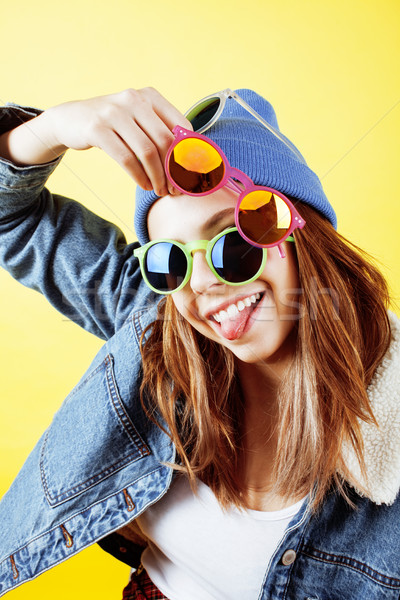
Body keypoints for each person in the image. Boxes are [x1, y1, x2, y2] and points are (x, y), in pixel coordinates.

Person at [0, 88, 399, 600]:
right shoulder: (159, 324)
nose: (204, 284)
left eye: (233, 241)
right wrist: (49, 129)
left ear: (303, 230)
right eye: (172, 261)